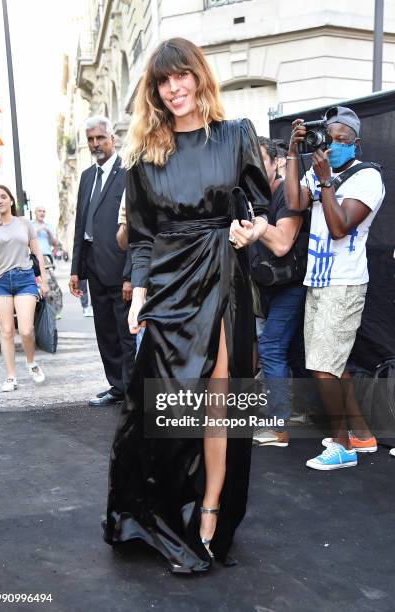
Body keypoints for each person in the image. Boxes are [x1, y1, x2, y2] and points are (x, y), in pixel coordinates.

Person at [102, 38, 270, 573]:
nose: (174, 89)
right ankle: (158, 510)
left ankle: (211, 513)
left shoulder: (235, 135)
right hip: (171, 284)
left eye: (182, 77)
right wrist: (141, 296)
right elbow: (146, 237)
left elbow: (263, 205)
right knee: (165, 406)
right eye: (163, 82)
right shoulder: (144, 155)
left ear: (199, 77)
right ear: (154, 90)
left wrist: (251, 230)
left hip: (222, 273)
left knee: (218, 400)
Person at [285, 106, 385, 470]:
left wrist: (326, 180)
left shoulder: (367, 178)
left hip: (344, 283)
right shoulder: (318, 170)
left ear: (356, 143)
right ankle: (361, 434)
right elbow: (294, 203)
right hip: (320, 279)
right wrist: (294, 154)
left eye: (343, 140)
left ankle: (342, 446)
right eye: (331, 138)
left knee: (324, 367)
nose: (335, 144)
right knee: (335, 364)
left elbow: (340, 226)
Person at [69, 115, 136, 406]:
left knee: (125, 334)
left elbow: (137, 227)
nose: (96, 144)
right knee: (105, 332)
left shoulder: (129, 171)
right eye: (91, 140)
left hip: (120, 269)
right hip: (94, 269)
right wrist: (75, 270)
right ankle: (117, 387)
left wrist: (131, 274)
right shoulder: (86, 177)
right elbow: (80, 224)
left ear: (112, 138)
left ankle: (133, 391)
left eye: (100, 138)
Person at [251, 137, 308, 448]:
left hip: (291, 286)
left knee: (271, 347)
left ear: (275, 163)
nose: (256, 168)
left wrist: (255, 226)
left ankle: (278, 427)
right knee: (289, 350)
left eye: (261, 160)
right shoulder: (252, 196)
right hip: (267, 287)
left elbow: (284, 242)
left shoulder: (288, 194)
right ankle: (295, 412)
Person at [0, 185, 48, 391]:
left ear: (11, 201)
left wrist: (44, 280)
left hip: (24, 278)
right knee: (6, 331)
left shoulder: (24, 223)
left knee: (26, 329)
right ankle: (11, 377)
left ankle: (31, 363)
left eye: (3, 196)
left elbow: (37, 253)